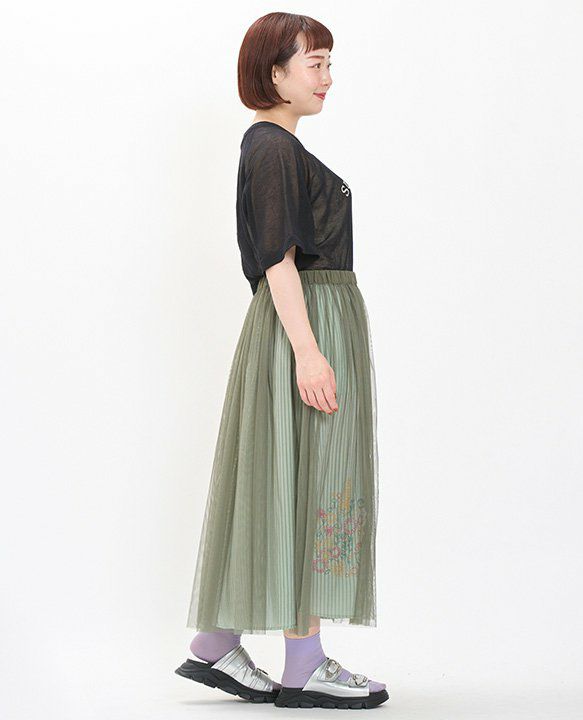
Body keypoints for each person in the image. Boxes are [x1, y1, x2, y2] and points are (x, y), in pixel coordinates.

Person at [174, 12, 388, 710]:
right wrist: (309, 353)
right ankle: (304, 663)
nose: (327, 77)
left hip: (309, 322)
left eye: (329, 63)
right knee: (313, 480)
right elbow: (278, 260)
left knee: (291, 476)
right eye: (315, 63)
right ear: (276, 73)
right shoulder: (271, 148)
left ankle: (218, 641)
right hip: (304, 325)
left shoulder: (279, 147)